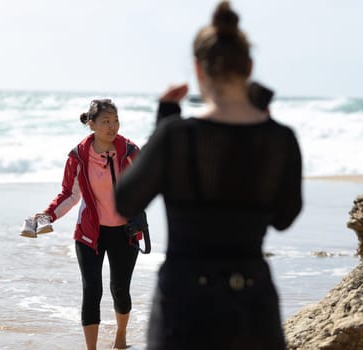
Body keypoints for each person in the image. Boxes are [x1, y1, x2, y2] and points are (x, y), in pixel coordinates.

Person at [114, 2, 302, 349]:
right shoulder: (280, 139)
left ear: (198, 70)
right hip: (251, 301)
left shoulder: (176, 135)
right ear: (249, 67)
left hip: (185, 305)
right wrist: (263, 138)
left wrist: (164, 120)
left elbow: (125, 200)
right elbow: (284, 218)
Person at [33, 99, 141, 350]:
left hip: (125, 232)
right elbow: (69, 194)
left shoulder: (130, 152)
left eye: (115, 120)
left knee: (120, 290)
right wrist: (48, 215)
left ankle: (121, 337)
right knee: (92, 290)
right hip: (90, 233)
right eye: (105, 121)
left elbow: (147, 183)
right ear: (91, 124)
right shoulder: (78, 156)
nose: (112, 126)